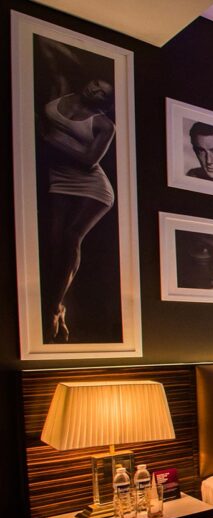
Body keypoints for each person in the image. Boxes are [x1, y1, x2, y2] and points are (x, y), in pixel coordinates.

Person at [37, 37, 117, 343]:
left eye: (103, 92)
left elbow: (88, 161)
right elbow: (49, 56)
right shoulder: (62, 92)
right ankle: (57, 305)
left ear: (105, 102)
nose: (95, 90)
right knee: (53, 242)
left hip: (92, 186)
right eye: (96, 84)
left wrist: (49, 140)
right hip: (58, 177)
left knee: (71, 238)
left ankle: (53, 306)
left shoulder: (104, 125)